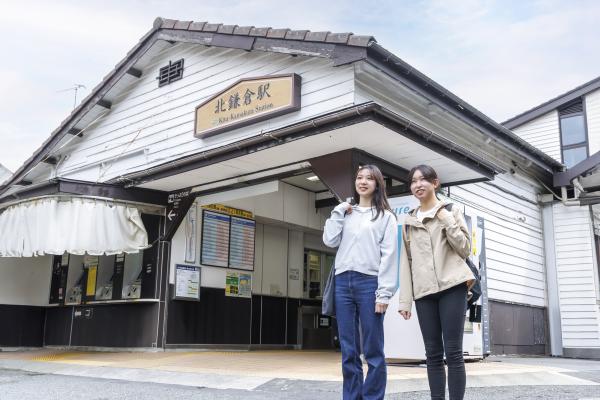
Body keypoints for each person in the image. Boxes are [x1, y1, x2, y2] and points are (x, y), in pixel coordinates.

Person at [398, 165, 474, 400]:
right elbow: (406, 262)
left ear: (435, 183)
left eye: (422, 180)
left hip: (453, 286)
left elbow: (464, 248)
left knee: (453, 352)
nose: (417, 185)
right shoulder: (409, 220)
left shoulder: (451, 211)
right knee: (432, 353)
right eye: (413, 181)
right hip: (424, 292)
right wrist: (405, 301)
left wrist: (446, 219)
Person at [323, 164, 398, 400]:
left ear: (378, 184)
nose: (363, 181)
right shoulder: (346, 213)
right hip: (343, 282)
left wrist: (384, 294)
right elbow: (329, 240)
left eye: (369, 178)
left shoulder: (385, 217)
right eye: (359, 177)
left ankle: (373, 397)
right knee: (348, 349)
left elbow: (390, 256)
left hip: (370, 284)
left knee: (373, 349)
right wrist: (338, 211)